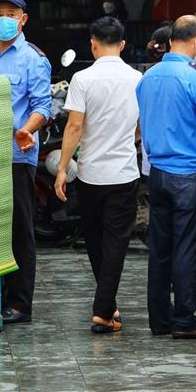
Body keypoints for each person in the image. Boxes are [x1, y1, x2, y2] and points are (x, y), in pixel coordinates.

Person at [136, 15, 196, 340]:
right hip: (190, 175)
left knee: (160, 248)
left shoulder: (149, 77)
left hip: (158, 173)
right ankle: (185, 318)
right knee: (188, 247)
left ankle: (160, 319)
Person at [53, 17, 142, 334]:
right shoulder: (136, 78)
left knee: (95, 242)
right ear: (122, 45)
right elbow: (139, 127)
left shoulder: (82, 78)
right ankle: (105, 309)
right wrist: (128, 142)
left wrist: (62, 168)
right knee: (116, 244)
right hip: (124, 172)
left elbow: (74, 126)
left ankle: (105, 309)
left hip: (90, 173)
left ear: (92, 43)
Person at [0, 0, 51, 324]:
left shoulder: (34, 59)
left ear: (23, 19)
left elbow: (42, 107)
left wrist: (27, 130)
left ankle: (20, 303)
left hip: (17, 158)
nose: (2, 19)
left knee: (20, 231)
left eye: (9, 13)